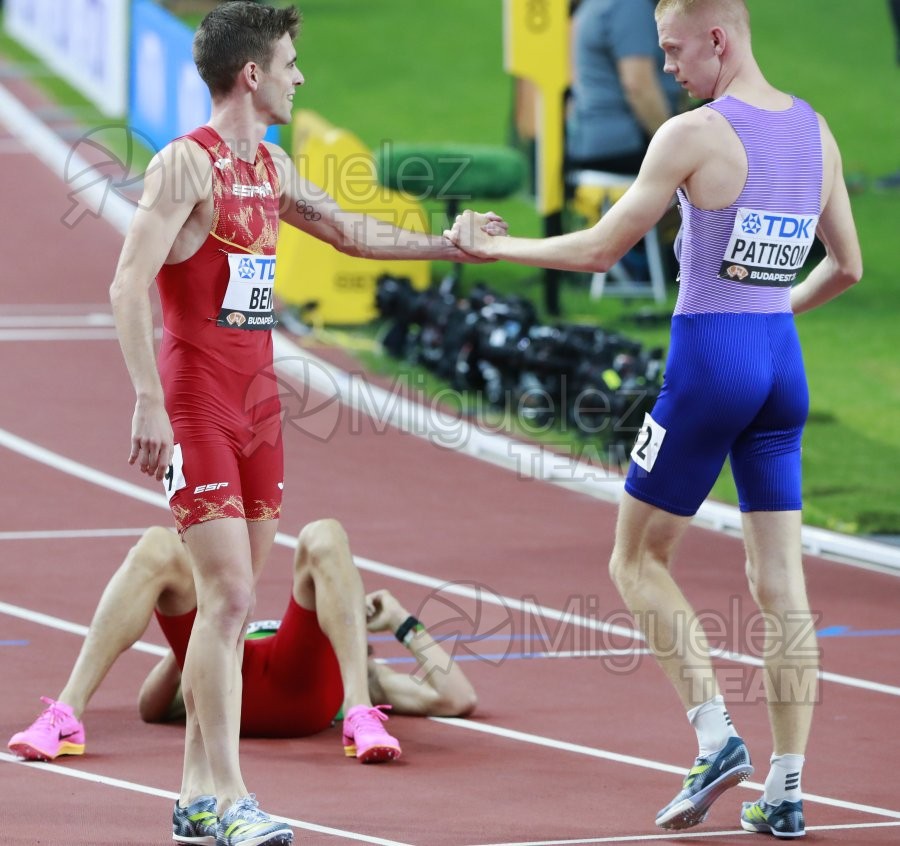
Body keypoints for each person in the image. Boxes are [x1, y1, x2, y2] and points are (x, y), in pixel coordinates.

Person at [447, 0, 862, 838]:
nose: (667, 65)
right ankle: (786, 792)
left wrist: (497, 248)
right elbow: (849, 267)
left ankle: (715, 737)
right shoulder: (817, 131)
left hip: (710, 363)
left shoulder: (694, 134)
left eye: (675, 50)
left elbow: (601, 247)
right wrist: (771, 317)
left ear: (719, 37)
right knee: (782, 588)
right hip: (781, 365)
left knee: (636, 557)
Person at [108, 3, 500, 845]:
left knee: (231, 607)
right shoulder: (186, 167)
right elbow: (125, 283)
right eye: (290, 62)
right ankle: (231, 795)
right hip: (196, 403)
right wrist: (146, 398)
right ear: (252, 74)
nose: (300, 76)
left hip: (258, 408)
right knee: (231, 597)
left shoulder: (273, 169)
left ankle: (192, 798)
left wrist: (449, 245)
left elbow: (353, 235)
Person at [7, 520, 477, 804]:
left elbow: (458, 698)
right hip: (229, 682)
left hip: (304, 690)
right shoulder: (235, 626)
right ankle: (66, 716)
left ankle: (358, 715)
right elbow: (152, 706)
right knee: (156, 543)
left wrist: (403, 622)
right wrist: (198, 642)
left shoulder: (368, 671)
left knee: (325, 534)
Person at [566, 0, 683, 176]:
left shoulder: (595, 5)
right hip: (626, 146)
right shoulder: (629, 5)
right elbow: (639, 86)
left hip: (594, 143)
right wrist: (677, 150)